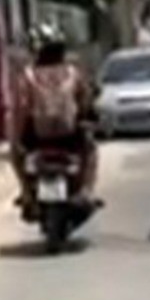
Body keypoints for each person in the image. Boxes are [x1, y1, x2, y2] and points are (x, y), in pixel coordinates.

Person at [10, 25, 99, 214]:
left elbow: (21, 109)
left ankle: (26, 192)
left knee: (16, 155)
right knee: (90, 150)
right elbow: (85, 101)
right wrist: (89, 117)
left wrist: (16, 139)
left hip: (37, 135)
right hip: (69, 134)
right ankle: (86, 191)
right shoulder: (73, 73)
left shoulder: (27, 76)